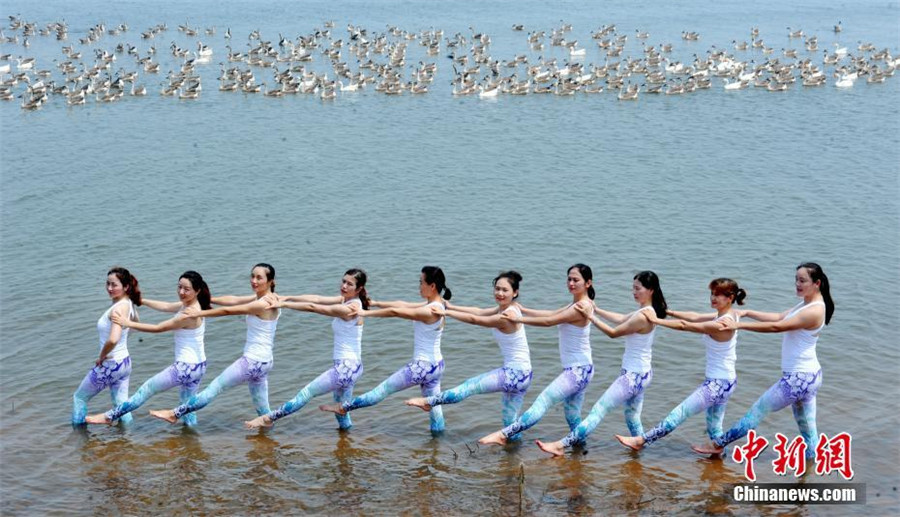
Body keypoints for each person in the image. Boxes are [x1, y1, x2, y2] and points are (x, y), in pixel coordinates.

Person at [692, 263, 834, 457]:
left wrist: (739, 326)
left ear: (817, 283)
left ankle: (718, 444)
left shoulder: (814, 310)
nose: (797, 284)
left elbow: (778, 326)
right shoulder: (806, 304)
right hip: (808, 377)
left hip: (798, 379)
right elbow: (777, 316)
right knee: (809, 432)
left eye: (802, 281)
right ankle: (810, 474)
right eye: (796, 280)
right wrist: (747, 313)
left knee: (757, 411)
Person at [536, 270, 668, 457]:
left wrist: (590, 317)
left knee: (598, 410)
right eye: (633, 288)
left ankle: (561, 445)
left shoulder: (642, 315)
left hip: (632, 376)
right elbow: (621, 319)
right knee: (632, 417)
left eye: (638, 289)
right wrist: (596, 310)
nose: (634, 292)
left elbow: (613, 332)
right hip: (643, 374)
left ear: (651, 290)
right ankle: (640, 453)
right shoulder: (647, 311)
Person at [615, 278, 746, 451]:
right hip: (727, 382)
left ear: (729, 298)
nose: (713, 298)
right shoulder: (731, 314)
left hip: (716, 384)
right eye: (712, 294)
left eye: (718, 295)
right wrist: (668, 311)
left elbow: (685, 325)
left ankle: (641, 440)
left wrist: (657, 320)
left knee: (680, 413)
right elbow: (695, 316)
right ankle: (718, 462)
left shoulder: (721, 323)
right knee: (714, 428)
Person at [319, 266, 451, 433]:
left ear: (432, 286)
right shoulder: (437, 305)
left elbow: (395, 311)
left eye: (421, 282)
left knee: (380, 392)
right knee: (434, 409)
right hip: (437, 365)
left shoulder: (427, 310)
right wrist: (376, 303)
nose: (419, 286)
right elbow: (402, 304)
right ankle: (438, 446)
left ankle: (343, 407)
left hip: (422, 367)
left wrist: (365, 313)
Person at [478, 264, 596, 446]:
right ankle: (580, 457)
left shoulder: (580, 307)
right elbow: (550, 313)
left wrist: (519, 318)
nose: (571, 283)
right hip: (583, 368)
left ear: (588, 283)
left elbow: (549, 321)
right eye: (569, 279)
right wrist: (524, 310)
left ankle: (504, 434)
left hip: (578, 371)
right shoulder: (578, 304)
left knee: (543, 401)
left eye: (576, 280)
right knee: (572, 416)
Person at [148, 264, 280, 424]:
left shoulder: (261, 304)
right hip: (265, 362)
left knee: (214, 388)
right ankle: (269, 442)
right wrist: (208, 300)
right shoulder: (270, 299)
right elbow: (233, 300)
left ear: (270, 281)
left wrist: (200, 312)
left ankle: (175, 413)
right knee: (263, 410)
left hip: (252, 362)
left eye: (259, 278)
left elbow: (228, 311)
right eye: (252, 276)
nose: (254, 281)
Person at [405, 271, 533, 435]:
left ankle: (430, 401)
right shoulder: (509, 308)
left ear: (515, 293)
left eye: (505, 290)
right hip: (524, 374)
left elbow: (476, 320)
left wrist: (447, 313)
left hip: (514, 373)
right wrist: (452, 306)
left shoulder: (507, 315)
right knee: (510, 421)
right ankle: (514, 457)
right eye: (497, 289)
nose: (500, 293)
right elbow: (478, 311)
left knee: (469, 386)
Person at [243, 269, 369, 430]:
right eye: (343, 281)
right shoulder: (346, 300)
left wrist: (284, 304)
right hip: (352, 367)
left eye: (349, 284)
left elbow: (313, 307)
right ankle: (347, 448)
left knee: (306, 394)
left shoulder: (350, 309)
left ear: (359, 289)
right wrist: (288, 297)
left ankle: (267, 419)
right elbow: (316, 298)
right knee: (341, 414)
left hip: (345, 369)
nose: (344, 286)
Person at [85, 271, 211, 426]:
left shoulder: (187, 315)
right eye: (179, 287)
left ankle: (109, 416)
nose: (181, 292)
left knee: (146, 390)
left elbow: (157, 327)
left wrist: (128, 322)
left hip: (184, 367)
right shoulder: (195, 306)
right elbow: (166, 306)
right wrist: (142, 301)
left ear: (197, 290)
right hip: (199, 366)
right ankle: (192, 443)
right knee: (188, 409)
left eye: (186, 289)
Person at [72, 267, 142, 425]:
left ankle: (78, 438)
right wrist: (124, 336)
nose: (109, 288)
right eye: (108, 284)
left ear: (126, 287)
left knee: (79, 398)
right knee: (121, 405)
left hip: (110, 364)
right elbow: (136, 324)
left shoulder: (118, 308)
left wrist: (102, 356)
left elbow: (113, 339)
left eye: (114, 285)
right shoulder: (128, 303)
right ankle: (129, 439)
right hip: (124, 362)